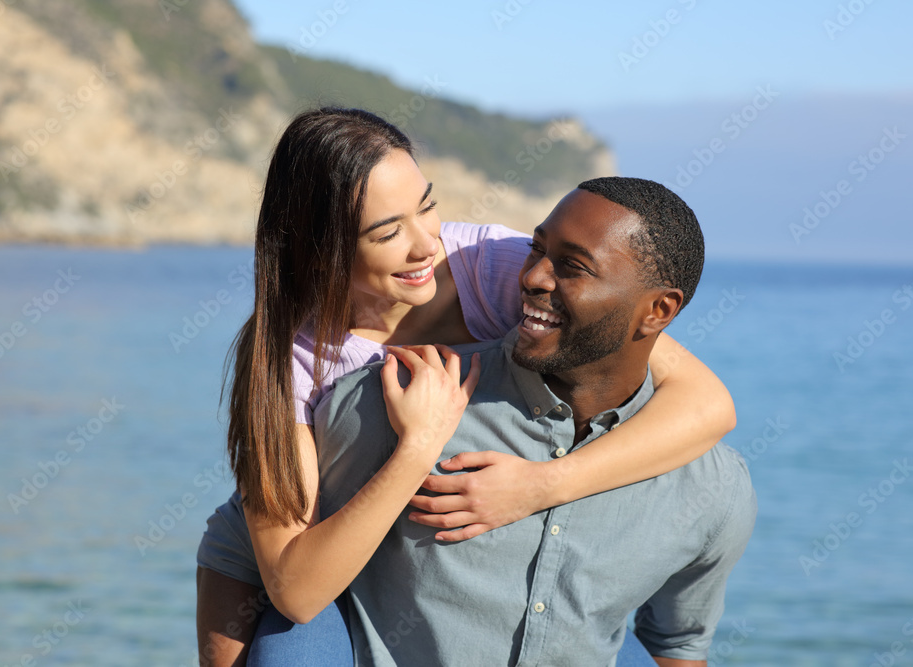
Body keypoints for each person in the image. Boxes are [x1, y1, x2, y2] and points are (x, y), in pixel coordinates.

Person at [195, 108, 736, 666]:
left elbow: (707, 404)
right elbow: (298, 588)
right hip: (294, 562)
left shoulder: (491, 267)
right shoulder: (292, 356)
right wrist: (420, 444)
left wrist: (541, 486)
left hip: (405, 559)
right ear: (319, 247)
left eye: (426, 206)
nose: (425, 244)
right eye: (387, 232)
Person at [305, 176, 757, 665]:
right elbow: (248, 562)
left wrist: (546, 485)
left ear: (659, 310)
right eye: (535, 249)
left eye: (573, 267)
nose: (533, 278)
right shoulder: (389, 402)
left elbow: (678, 644)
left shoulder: (712, 490)